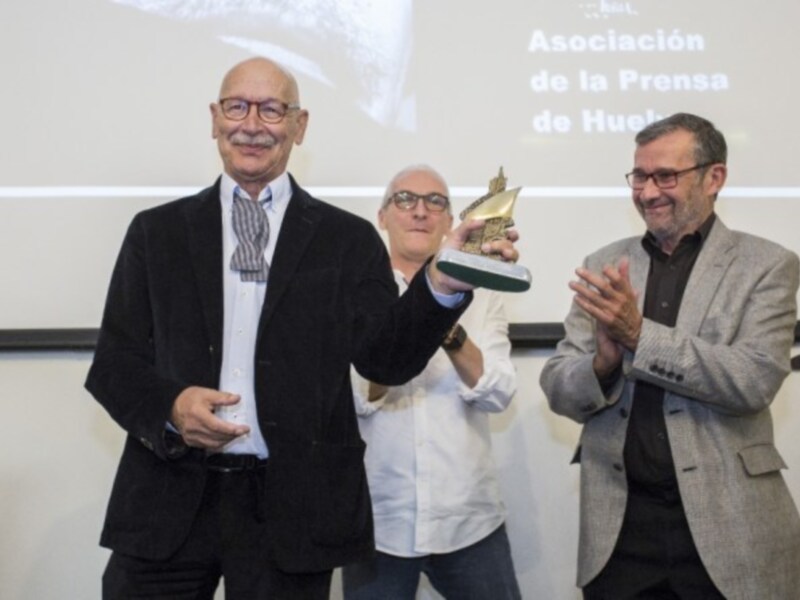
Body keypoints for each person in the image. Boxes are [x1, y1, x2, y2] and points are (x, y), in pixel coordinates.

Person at [85, 57, 518, 600]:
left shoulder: (348, 239)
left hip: (293, 515)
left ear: (299, 125)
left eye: (272, 110)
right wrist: (171, 410)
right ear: (215, 118)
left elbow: (385, 360)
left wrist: (441, 282)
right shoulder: (157, 233)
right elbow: (114, 366)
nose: (252, 124)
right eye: (237, 107)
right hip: (166, 504)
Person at [540, 112, 800, 600]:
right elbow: (558, 386)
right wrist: (602, 364)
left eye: (666, 176)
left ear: (714, 177)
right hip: (620, 535)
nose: (648, 192)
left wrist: (639, 335)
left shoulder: (767, 265)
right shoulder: (604, 264)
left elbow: (753, 381)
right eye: (639, 176)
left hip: (730, 527)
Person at [342, 165, 522, 599]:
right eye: (405, 200)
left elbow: (498, 392)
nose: (420, 212)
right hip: (377, 523)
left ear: (450, 221)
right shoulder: (351, 292)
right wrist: (406, 329)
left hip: (469, 520)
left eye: (435, 202)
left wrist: (442, 318)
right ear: (382, 217)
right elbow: (354, 397)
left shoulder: (484, 293)